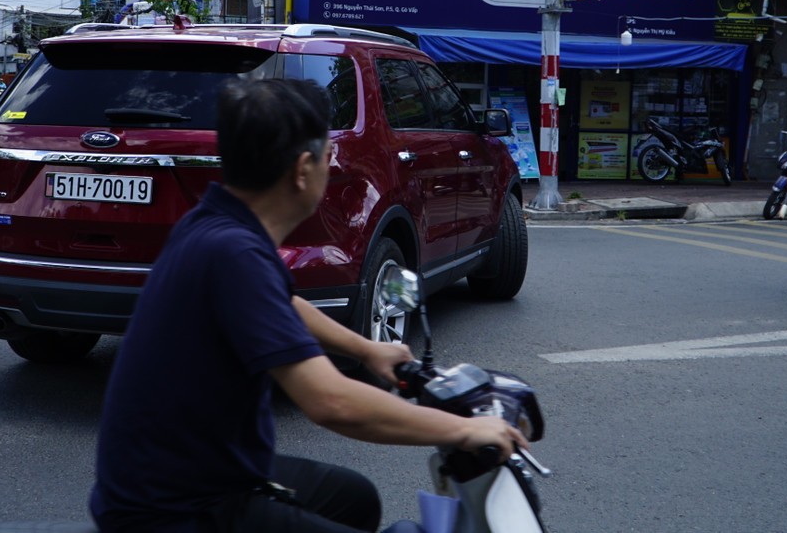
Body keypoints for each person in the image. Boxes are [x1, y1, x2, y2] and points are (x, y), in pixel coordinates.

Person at [90, 78, 525, 533]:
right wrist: (464, 431)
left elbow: (284, 303)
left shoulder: (213, 224)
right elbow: (330, 402)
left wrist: (367, 349)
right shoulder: (235, 254)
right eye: (328, 155)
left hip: (187, 473)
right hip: (174, 509)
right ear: (302, 170)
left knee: (353, 498)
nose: (331, 166)